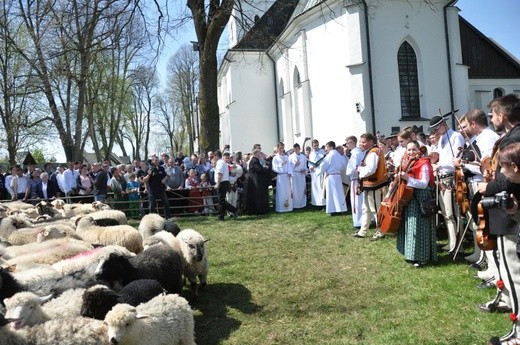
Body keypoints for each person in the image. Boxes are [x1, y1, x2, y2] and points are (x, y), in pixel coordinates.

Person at [474, 94, 520, 345]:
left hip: (510, 213)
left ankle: (519, 332)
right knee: (508, 268)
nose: (492, 119)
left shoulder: (514, 139)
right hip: (510, 211)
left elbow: (506, 178)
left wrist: (487, 187)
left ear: (502, 116)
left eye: (493, 115)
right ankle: (506, 302)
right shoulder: (512, 137)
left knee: (514, 271)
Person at [396, 141, 437, 267]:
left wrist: (407, 179)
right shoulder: (408, 163)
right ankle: (412, 255)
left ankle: (423, 257)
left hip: (422, 197)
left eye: (414, 149)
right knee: (411, 225)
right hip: (410, 197)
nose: (411, 152)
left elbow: (424, 183)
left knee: (421, 227)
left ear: (419, 150)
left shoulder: (423, 163)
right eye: (409, 150)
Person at [429, 113, 464, 254]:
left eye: (436, 129)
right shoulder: (443, 137)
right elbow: (439, 156)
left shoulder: (455, 136)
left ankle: (457, 244)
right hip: (442, 177)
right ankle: (451, 241)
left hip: (450, 177)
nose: (435, 132)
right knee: (445, 213)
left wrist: (439, 165)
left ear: (443, 125)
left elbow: (456, 159)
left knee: (452, 213)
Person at [354, 133, 389, 240]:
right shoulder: (371, 151)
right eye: (361, 142)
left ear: (370, 142)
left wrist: (360, 170)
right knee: (366, 209)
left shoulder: (373, 152)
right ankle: (363, 231)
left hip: (374, 184)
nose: (361, 144)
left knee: (375, 209)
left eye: (364, 142)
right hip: (369, 184)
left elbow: (371, 169)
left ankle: (381, 231)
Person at [319, 141, 347, 215]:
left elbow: (323, 166)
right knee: (339, 193)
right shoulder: (339, 155)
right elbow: (343, 165)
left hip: (331, 177)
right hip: (337, 176)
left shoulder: (329, 155)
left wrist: (319, 172)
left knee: (331, 194)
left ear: (331, 147)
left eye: (327, 147)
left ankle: (332, 210)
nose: (326, 149)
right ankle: (341, 209)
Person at [346, 136, 364, 228]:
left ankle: (358, 221)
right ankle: (362, 220)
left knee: (356, 201)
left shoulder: (355, 154)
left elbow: (352, 168)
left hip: (355, 179)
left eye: (348, 143)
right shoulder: (360, 152)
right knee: (361, 200)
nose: (347, 145)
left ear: (353, 142)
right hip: (360, 179)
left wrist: (348, 173)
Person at [215, 151, 238, 221]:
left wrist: (218, 183)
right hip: (225, 182)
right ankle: (221, 216)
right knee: (221, 200)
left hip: (222, 182)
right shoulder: (224, 163)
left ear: (216, 156)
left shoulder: (220, 163)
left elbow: (220, 174)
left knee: (221, 200)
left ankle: (234, 210)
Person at [246, 149, 271, 215]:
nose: (261, 154)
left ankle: (262, 209)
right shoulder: (254, 161)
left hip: (259, 181)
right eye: (260, 153)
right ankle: (258, 210)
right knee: (257, 196)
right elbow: (259, 169)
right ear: (256, 153)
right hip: (255, 181)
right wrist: (265, 168)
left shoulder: (257, 160)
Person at [271, 142, 293, 213]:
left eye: (282, 148)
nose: (281, 150)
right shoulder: (275, 158)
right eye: (280, 148)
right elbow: (274, 168)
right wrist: (281, 164)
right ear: (277, 149)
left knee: (287, 191)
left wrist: (290, 172)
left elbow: (289, 166)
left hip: (286, 176)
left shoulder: (286, 157)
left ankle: (288, 207)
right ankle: (281, 208)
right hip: (280, 176)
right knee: (281, 192)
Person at [289, 143, 308, 209]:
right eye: (295, 149)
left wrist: (305, 170)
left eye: (297, 149)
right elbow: (289, 167)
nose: (296, 150)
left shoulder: (303, 157)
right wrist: (295, 165)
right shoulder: (291, 157)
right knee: (295, 190)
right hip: (295, 175)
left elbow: (306, 166)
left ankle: (302, 204)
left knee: (302, 189)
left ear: (299, 148)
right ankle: (295, 205)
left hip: (301, 175)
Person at [308, 139, 326, 208]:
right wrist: (311, 167)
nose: (316, 146)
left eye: (317, 144)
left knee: (321, 187)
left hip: (320, 172)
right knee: (315, 188)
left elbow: (324, 161)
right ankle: (316, 204)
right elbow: (310, 163)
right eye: (314, 145)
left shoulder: (322, 152)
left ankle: (323, 204)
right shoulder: (311, 153)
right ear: (312, 145)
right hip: (314, 173)